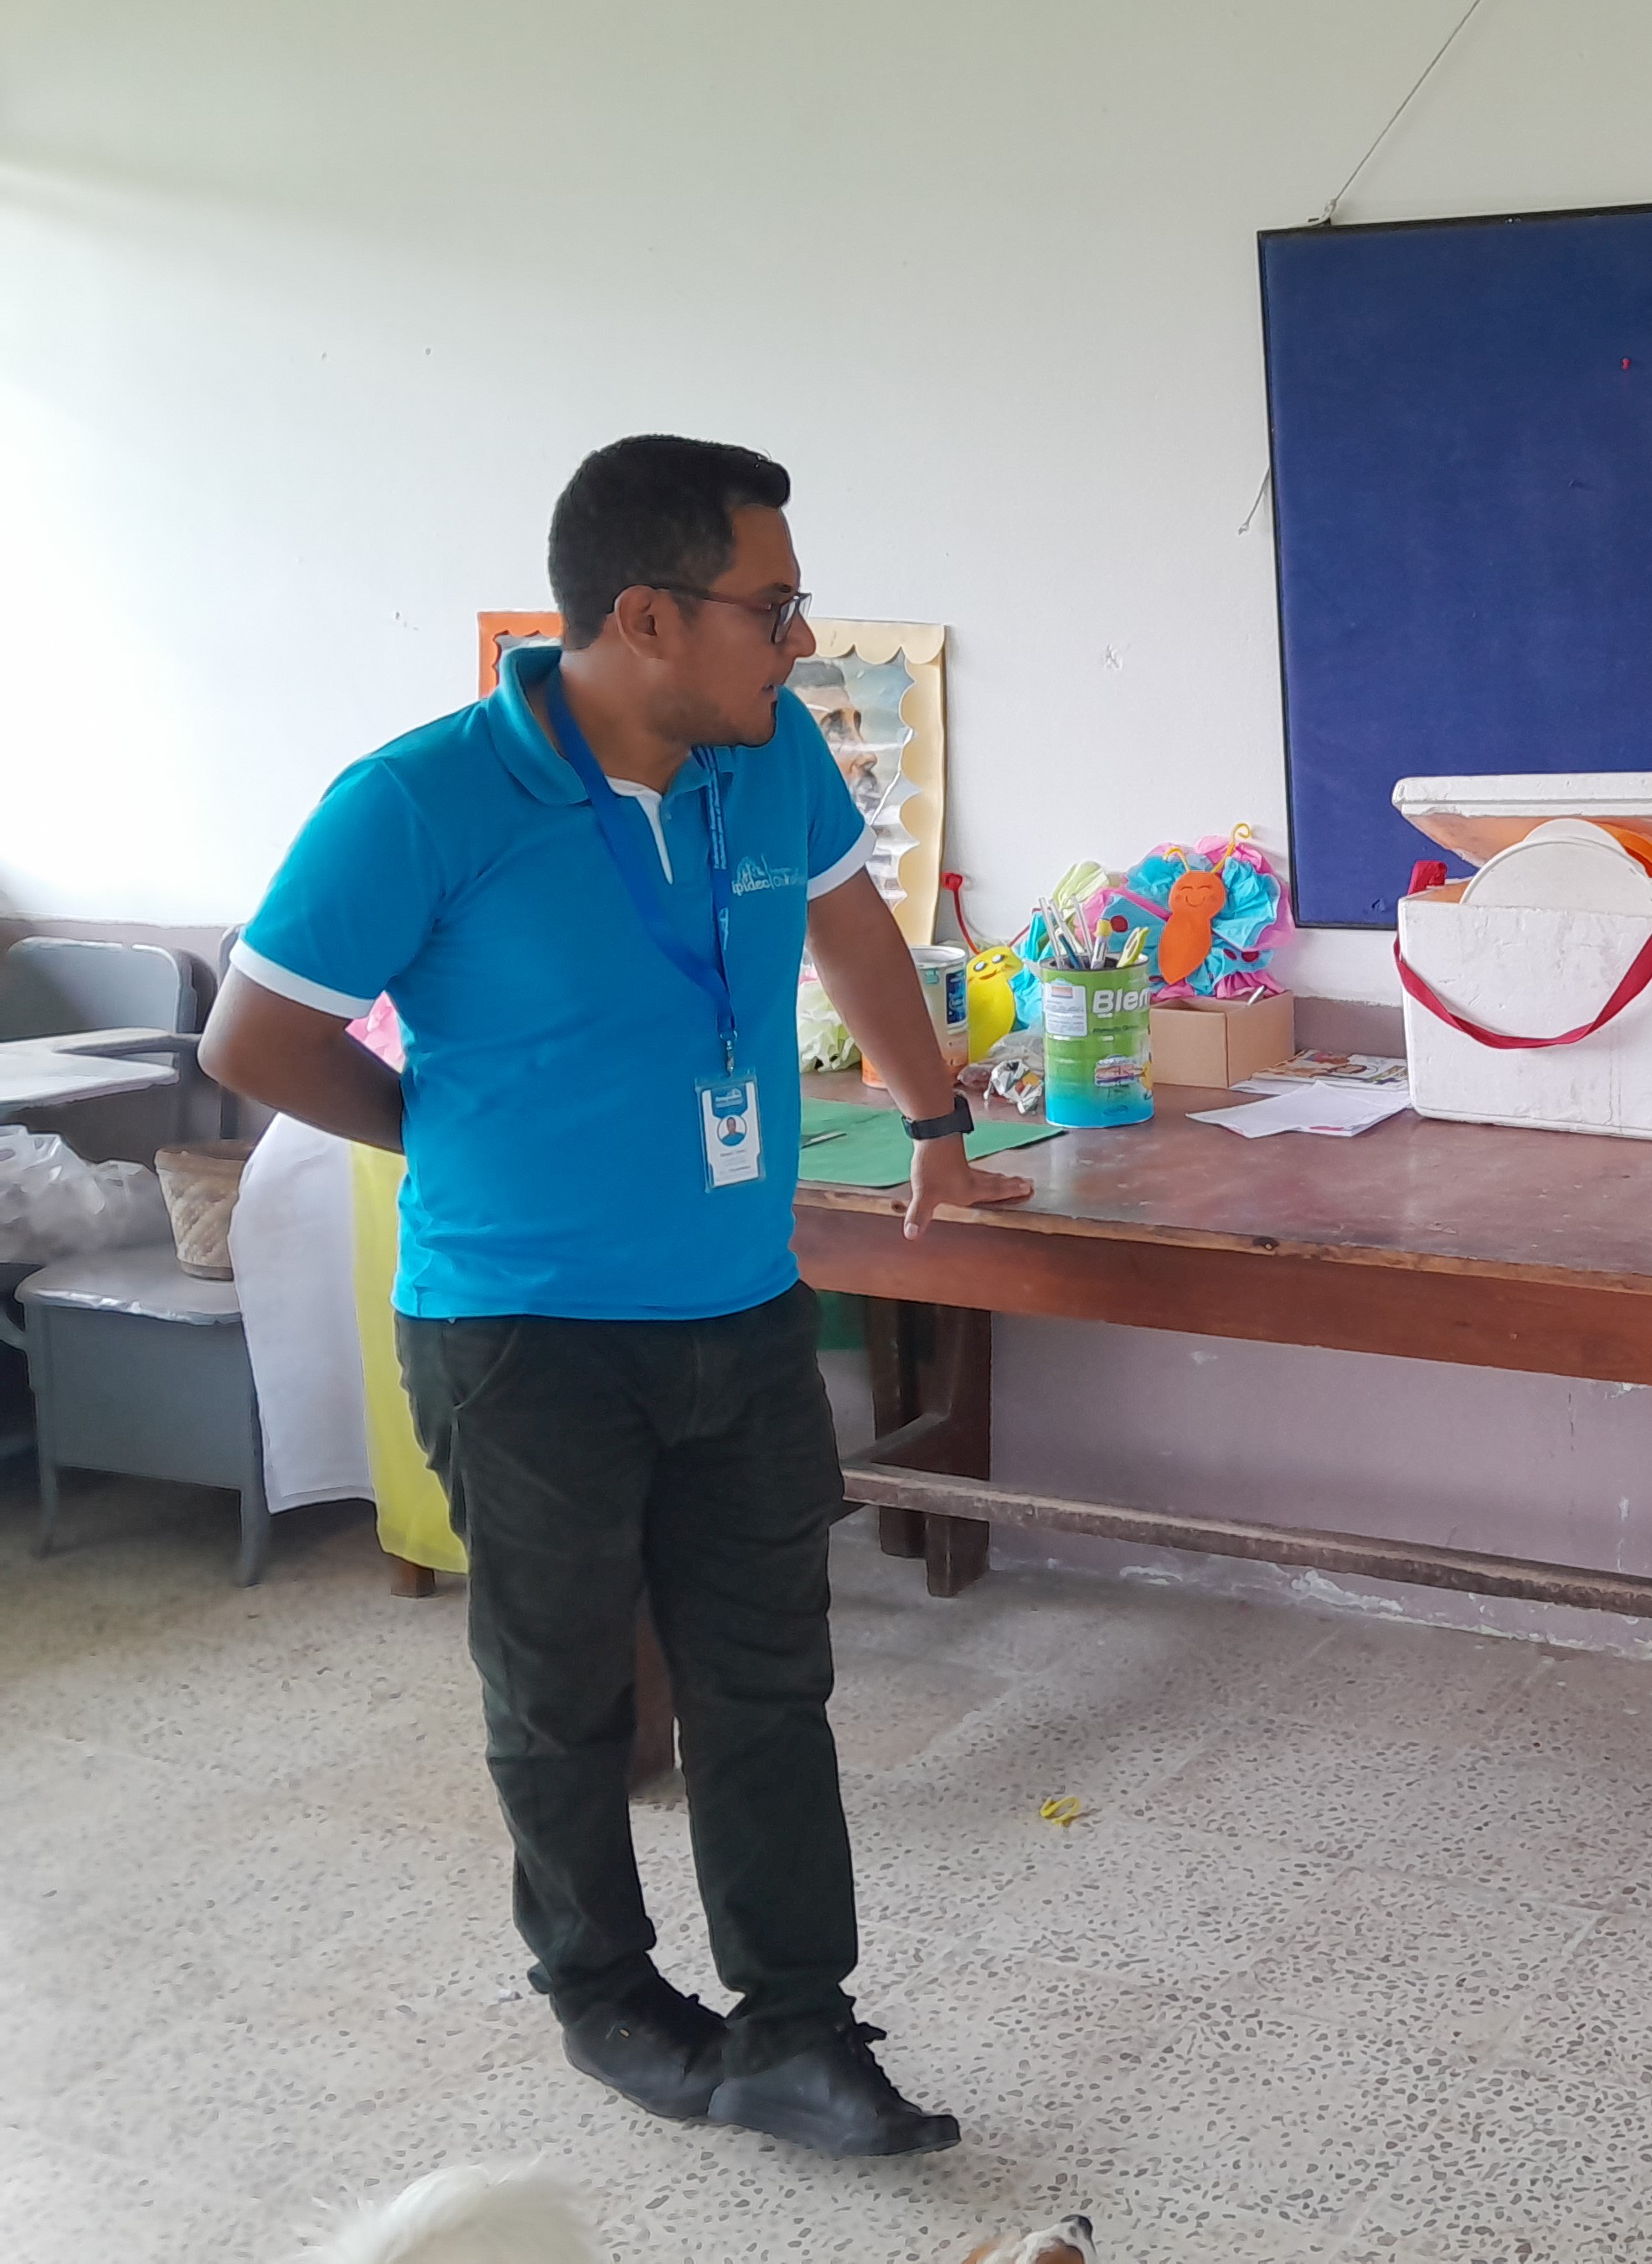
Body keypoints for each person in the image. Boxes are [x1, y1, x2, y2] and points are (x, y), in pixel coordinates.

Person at [204, 436, 1031, 2157]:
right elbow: (255, 1036)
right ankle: (604, 1998)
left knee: (766, 1683)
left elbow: (852, 929)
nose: (801, 639)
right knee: (567, 1694)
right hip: (523, 1336)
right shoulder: (420, 799)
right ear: (647, 616)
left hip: (738, 1306)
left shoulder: (769, 755)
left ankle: (800, 2025)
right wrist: (440, 1133)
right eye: (772, 605)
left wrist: (937, 1125)